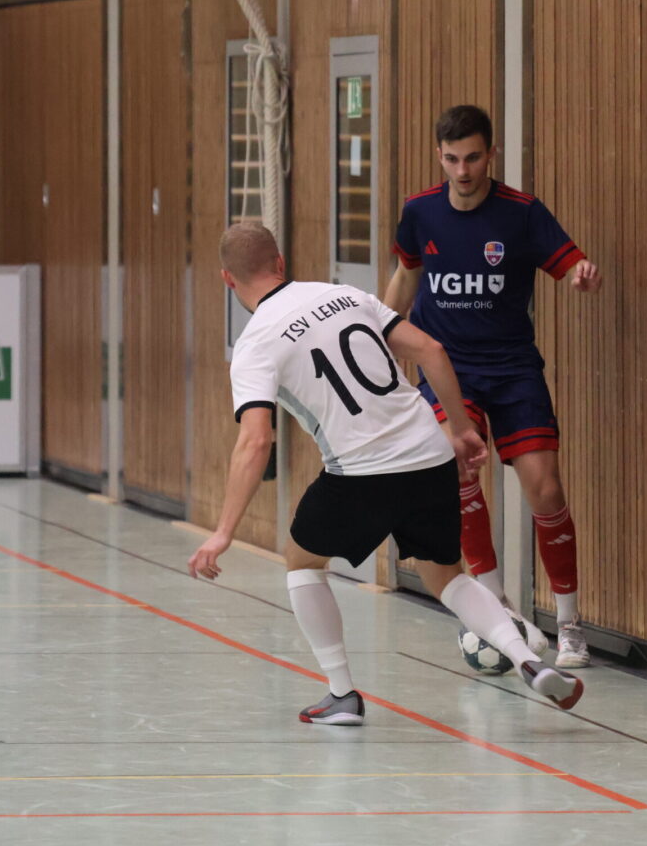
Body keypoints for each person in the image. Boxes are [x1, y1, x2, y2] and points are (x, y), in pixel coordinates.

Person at [189, 222, 584, 725]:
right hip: (428, 453)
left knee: (302, 562)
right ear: (281, 263)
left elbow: (255, 440)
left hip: (360, 471)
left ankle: (341, 694)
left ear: (227, 279)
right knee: (446, 575)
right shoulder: (345, 296)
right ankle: (526, 657)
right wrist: (462, 429)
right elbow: (432, 350)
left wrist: (223, 532)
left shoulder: (254, 345)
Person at [384, 104, 601, 669]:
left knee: (545, 490)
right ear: (439, 156)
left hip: (512, 369)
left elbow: (571, 262)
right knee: (457, 470)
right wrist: (377, 337)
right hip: (448, 369)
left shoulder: (521, 213)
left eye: (473, 158)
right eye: (453, 159)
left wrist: (580, 273)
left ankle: (570, 623)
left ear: (491, 155)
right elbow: (406, 275)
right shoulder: (420, 212)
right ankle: (497, 606)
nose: (463, 170)